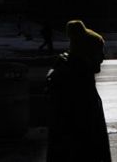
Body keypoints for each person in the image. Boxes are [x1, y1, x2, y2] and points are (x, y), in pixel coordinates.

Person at [46, 20, 111, 162]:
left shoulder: (71, 71)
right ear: (87, 53)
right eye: (99, 51)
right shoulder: (78, 82)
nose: (103, 57)